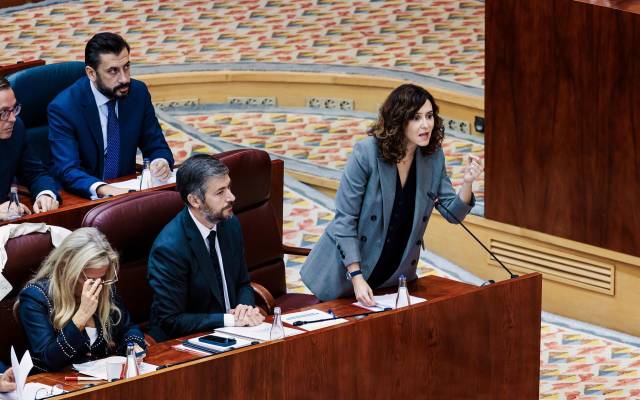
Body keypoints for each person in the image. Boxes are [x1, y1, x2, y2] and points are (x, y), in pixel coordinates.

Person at [300, 84, 484, 303]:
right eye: (416, 118)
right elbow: (345, 220)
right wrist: (356, 276)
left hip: (394, 273)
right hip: (347, 274)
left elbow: (453, 214)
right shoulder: (367, 153)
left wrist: (467, 183)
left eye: (429, 116)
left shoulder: (432, 157)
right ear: (399, 120)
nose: (426, 125)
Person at [147, 154, 264, 341]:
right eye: (220, 192)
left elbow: (242, 282)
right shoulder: (170, 248)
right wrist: (230, 320)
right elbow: (171, 320)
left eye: (229, 187)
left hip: (235, 333)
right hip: (189, 341)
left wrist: (244, 307)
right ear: (195, 201)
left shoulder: (230, 224)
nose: (231, 197)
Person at [47, 32, 174, 199]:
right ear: (91, 73)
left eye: (126, 67)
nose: (124, 79)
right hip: (83, 196)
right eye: (113, 71)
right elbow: (68, 170)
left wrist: (161, 162)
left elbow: (156, 145)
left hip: (127, 189)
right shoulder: (64, 108)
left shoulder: (138, 93)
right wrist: (103, 188)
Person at [17, 227, 146, 372]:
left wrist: (133, 346)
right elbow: (49, 360)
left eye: (102, 277)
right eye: (90, 279)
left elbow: (128, 328)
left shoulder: (102, 284)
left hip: (104, 381)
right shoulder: (35, 298)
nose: (98, 285)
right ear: (67, 269)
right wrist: (81, 316)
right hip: (59, 386)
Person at [0, 77, 59, 218]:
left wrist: (45, 194)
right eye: (3, 112)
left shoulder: (16, 129)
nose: (13, 118)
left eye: (14, 109)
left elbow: (34, 173)